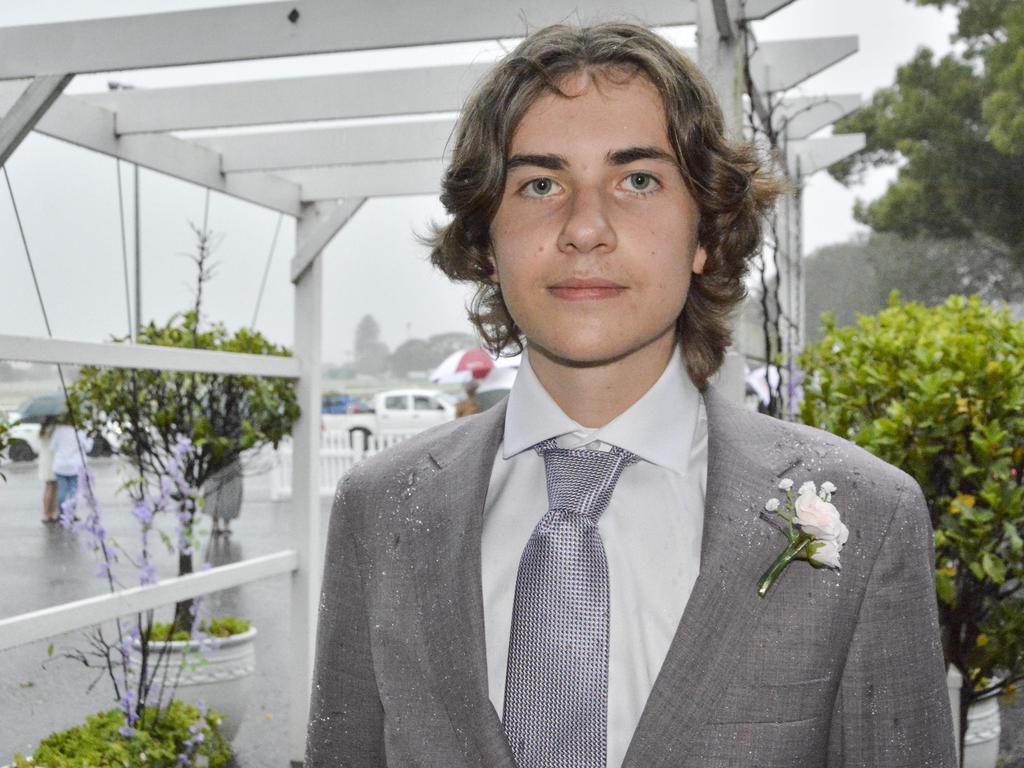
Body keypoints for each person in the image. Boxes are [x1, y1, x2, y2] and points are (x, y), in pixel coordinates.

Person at [306, 22, 955, 768]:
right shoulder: (377, 509)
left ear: (704, 231)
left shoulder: (870, 519)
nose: (585, 227)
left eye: (638, 180)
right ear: (487, 241)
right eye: (540, 184)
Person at [50, 419, 92, 519]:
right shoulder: (79, 432)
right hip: (75, 466)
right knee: (73, 490)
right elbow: (88, 448)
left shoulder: (58, 431)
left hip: (60, 465)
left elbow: (52, 447)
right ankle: (71, 513)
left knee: (62, 491)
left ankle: (62, 513)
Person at [38, 416, 59, 523]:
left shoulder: (42, 430)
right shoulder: (52, 429)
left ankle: (48, 512)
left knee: (48, 487)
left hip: (45, 461)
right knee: (52, 488)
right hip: (51, 461)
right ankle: (49, 513)